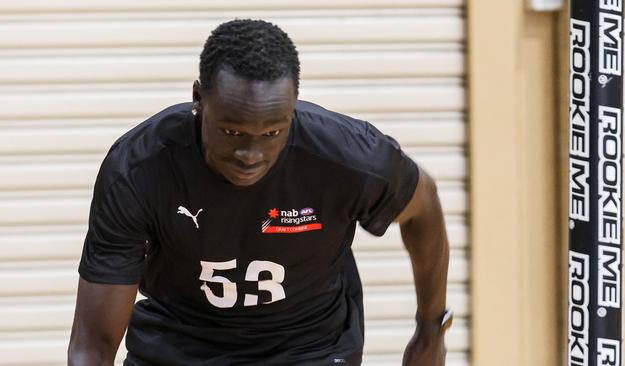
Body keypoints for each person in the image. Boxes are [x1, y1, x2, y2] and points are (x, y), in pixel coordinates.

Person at [67, 19, 451, 366]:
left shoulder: (348, 156)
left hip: (310, 346)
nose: (250, 154)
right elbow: (94, 343)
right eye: (232, 132)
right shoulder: (139, 169)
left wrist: (430, 330)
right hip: (178, 343)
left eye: (272, 133)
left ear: (292, 108)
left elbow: (423, 206)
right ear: (199, 100)